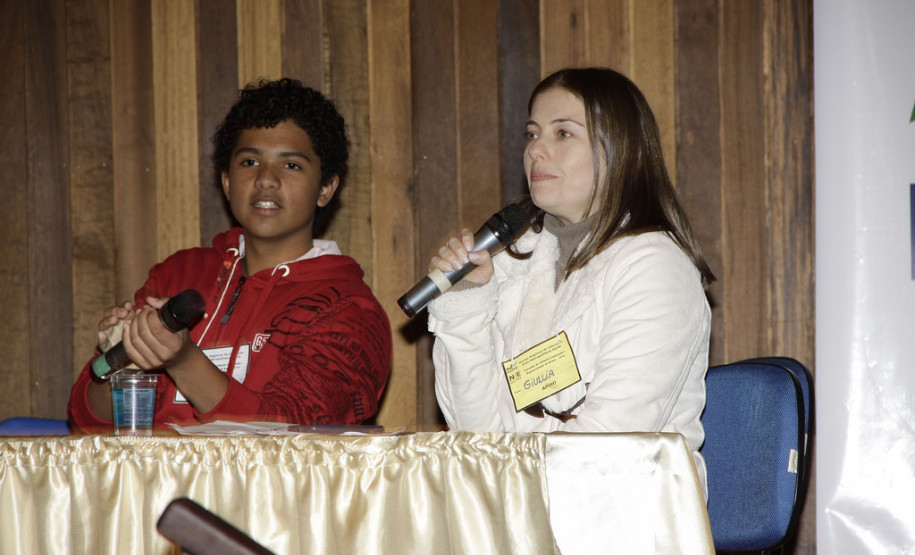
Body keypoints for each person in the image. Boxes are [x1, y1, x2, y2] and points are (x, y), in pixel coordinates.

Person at [426, 67, 714, 491]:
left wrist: (505, 491)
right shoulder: (513, 260)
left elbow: (610, 443)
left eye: (563, 134)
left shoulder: (656, 266)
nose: (536, 150)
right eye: (532, 133)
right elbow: (475, 436)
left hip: (623, 516)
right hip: (523, 504)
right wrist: (467, 301)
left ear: (617, 150)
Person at [68, 78, 392, 432]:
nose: (266, 179)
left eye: (291, 165)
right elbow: (88, 419)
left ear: (326, 188)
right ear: (226, 181)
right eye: (250, 161)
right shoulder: (178, 273)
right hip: (155, 484)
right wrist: (121, 363)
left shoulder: (348, 308)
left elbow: (293, 432)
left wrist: (183, 360)